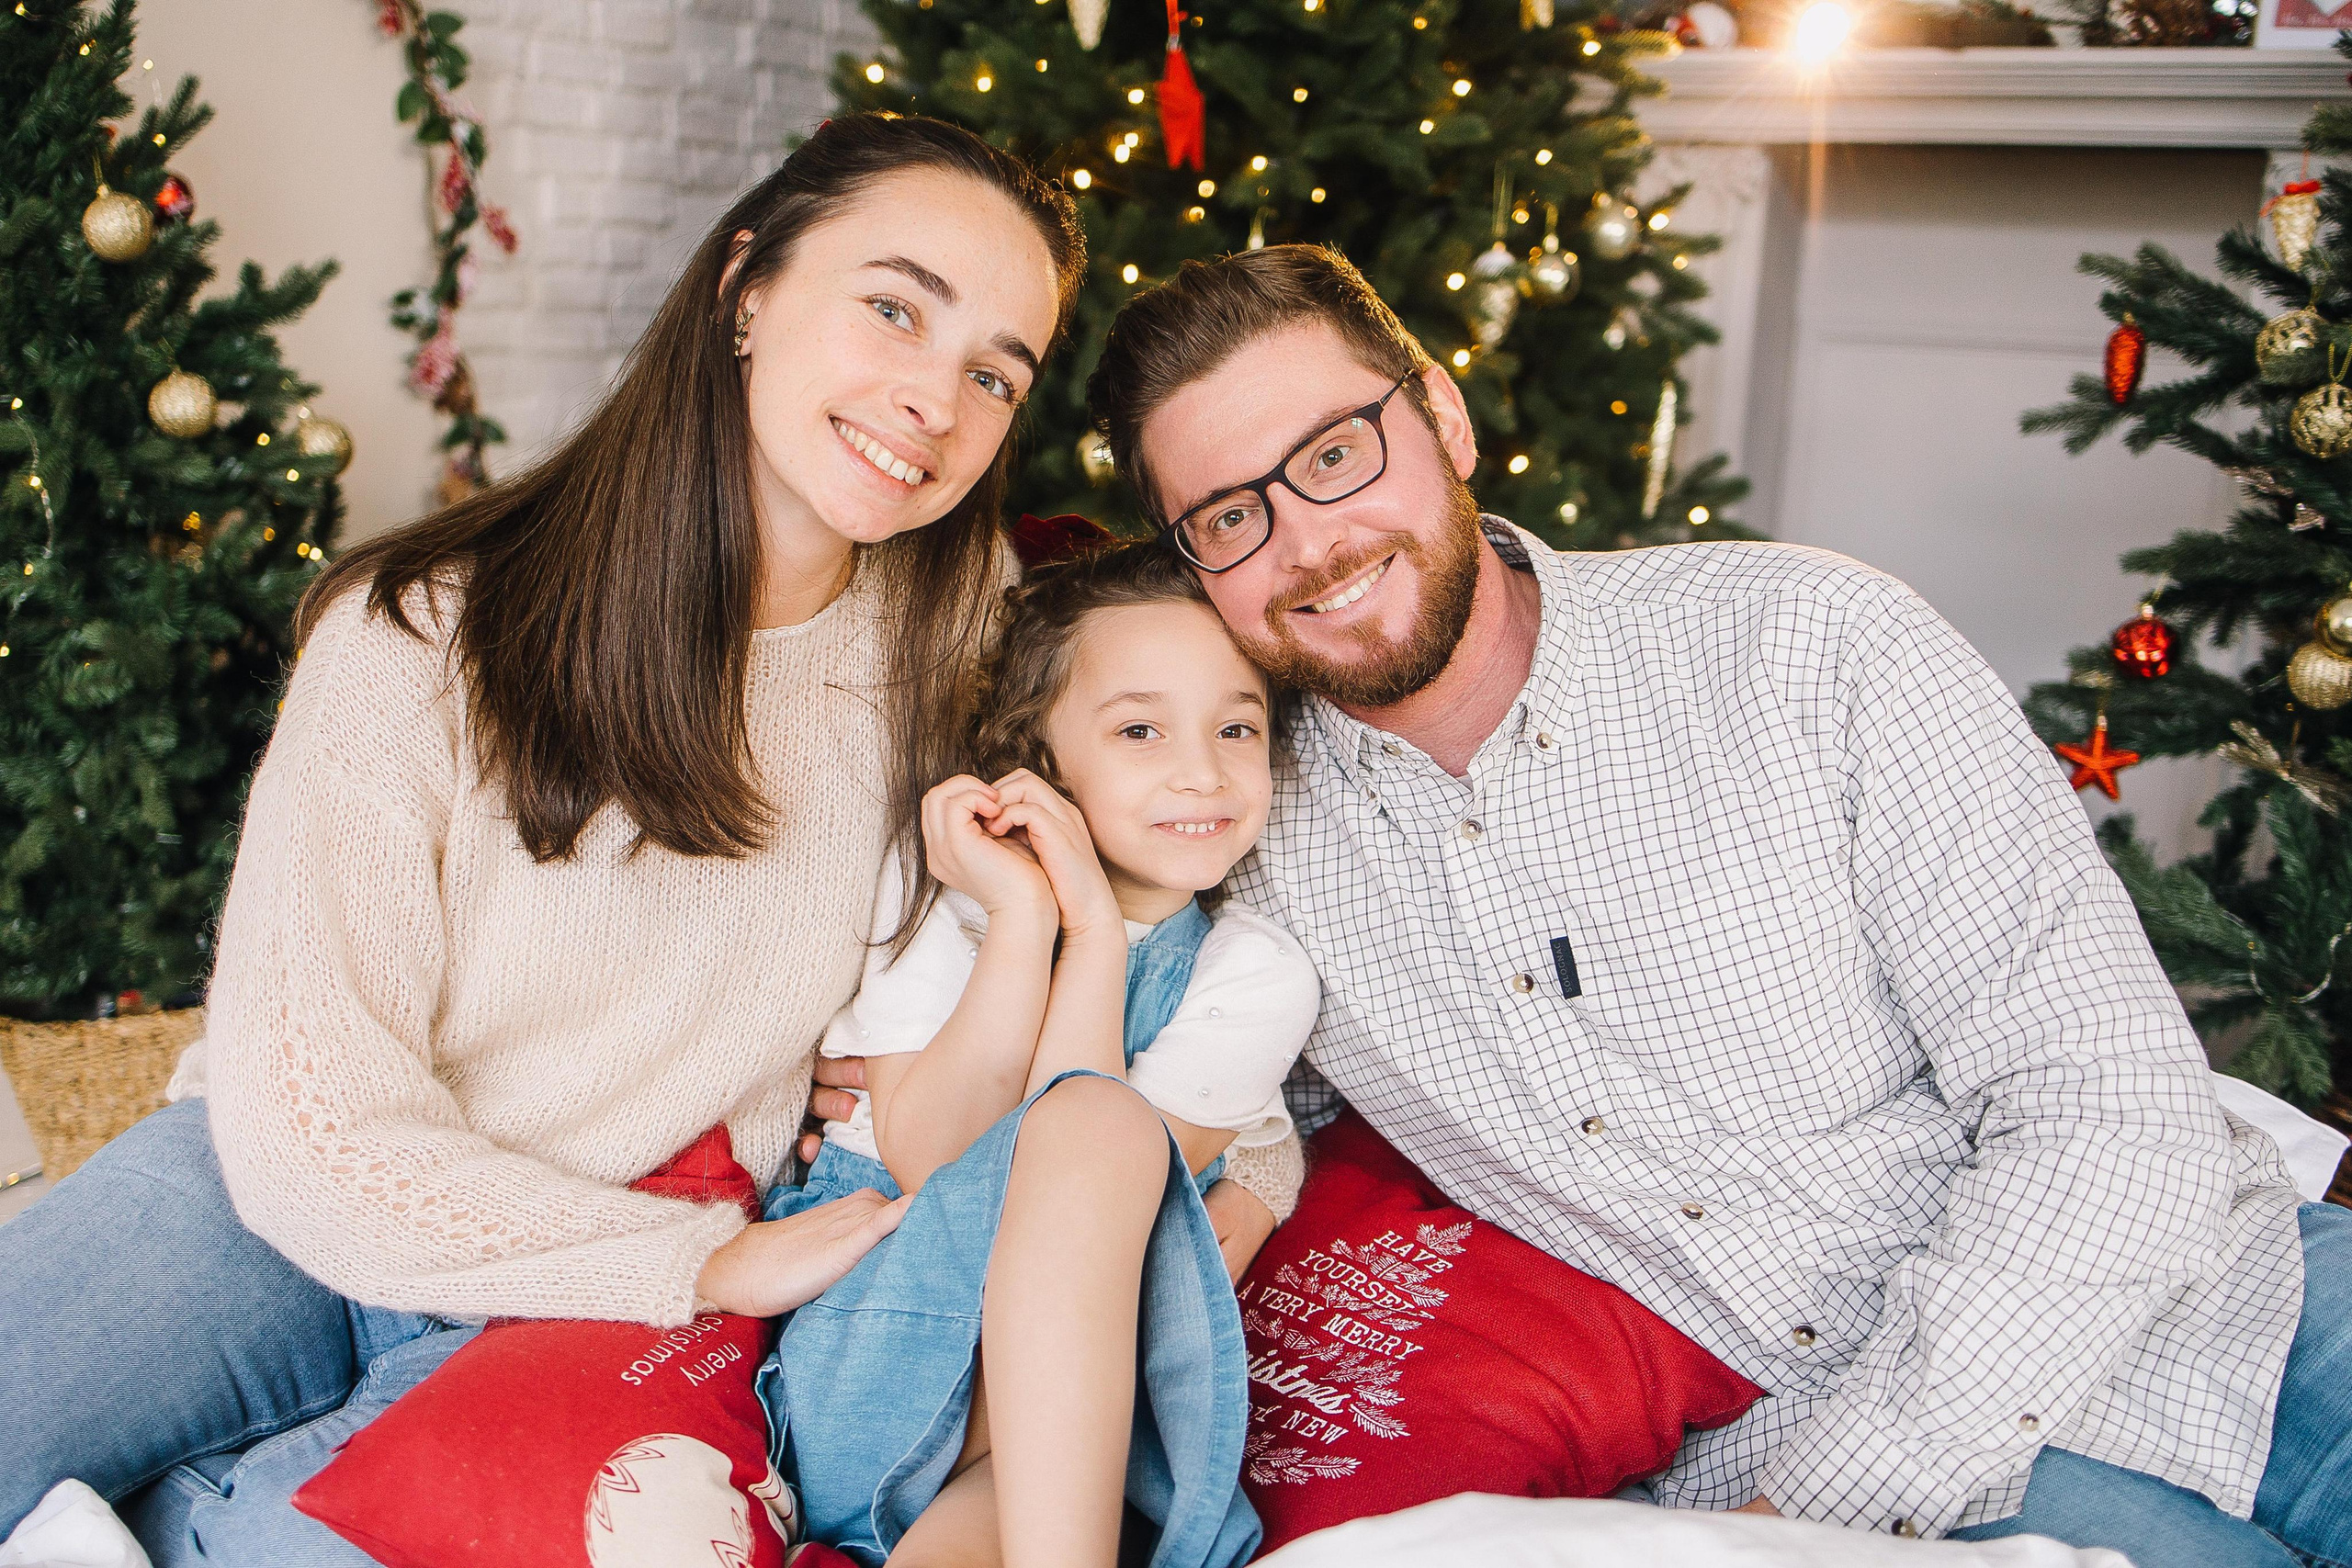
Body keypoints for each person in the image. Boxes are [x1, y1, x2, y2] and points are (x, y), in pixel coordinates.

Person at [0, 114, 1290, 1565]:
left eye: (995, 370)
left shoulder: (966, 638)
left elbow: (1175, 857)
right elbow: (307, 1127)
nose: (936, 396)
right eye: (892, 307)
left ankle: (179, 1512)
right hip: (282, 1204)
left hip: (594, 1293)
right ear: (748, 287)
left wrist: (1231, 1160)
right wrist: (709, 1260)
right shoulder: (419, 631)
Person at [1049, 242, 2342, 1568]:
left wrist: (1808, 1516)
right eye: (1228, 517)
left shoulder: (1809, 641)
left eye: (1333, 455)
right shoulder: (1243, 833)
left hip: (2248, 1311)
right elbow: (1170, 1101)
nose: (1308, 543)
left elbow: (2110, 1099)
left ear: (1442, 417)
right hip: (1848, 1461)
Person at [763, 544, 1317, 1568]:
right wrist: (1026, 913)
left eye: (1236, 727)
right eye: (1140, 729)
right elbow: (948, 1160)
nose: (1204, 771)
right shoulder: (944, 894)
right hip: (882, 1357)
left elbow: (1085, 1189)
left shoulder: (1255, 974)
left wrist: (1098, 934)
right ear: (1040, 762)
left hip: (1069, 1434)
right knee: (1101, 1114)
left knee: (1098, 1129)